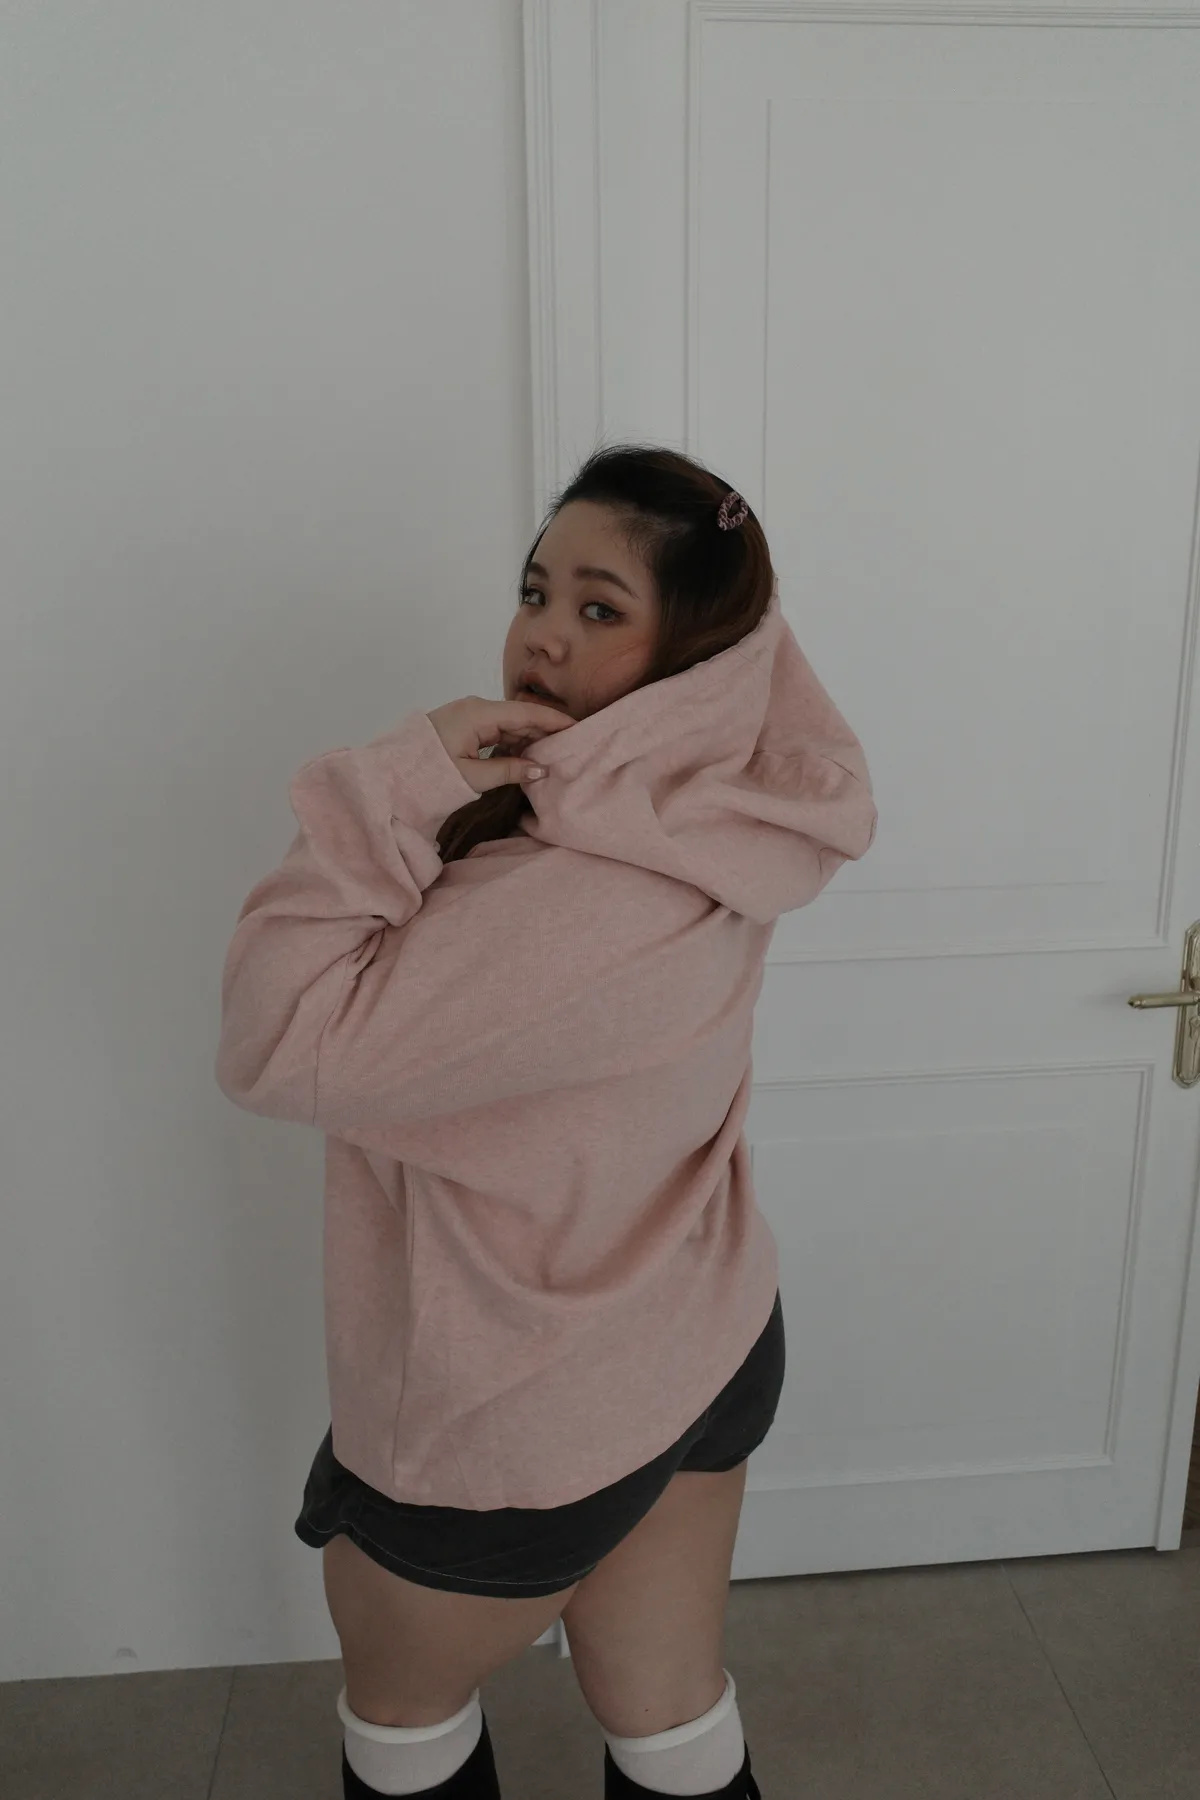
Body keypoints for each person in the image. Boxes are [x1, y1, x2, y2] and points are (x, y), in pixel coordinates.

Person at [215, 444, 877, 1800]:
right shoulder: (711, 817)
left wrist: (394, 779)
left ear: (698, 656)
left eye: (598, 607)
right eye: (535, 591)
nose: (541, 636)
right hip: (695, 1337)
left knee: (403, 1720)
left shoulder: (578, 897)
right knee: (670, 1717)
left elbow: (276, 1044)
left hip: (518, 1409)